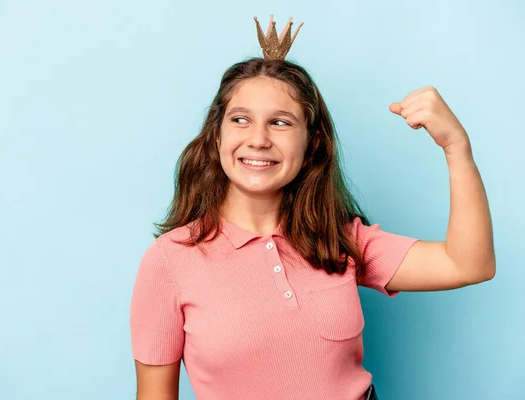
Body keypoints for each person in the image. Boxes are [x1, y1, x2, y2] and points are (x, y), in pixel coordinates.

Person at [129, 14, 495, 400]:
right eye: (240, 120)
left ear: (311, 145)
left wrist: (457, 148)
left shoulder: (341, 239)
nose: (258, 139)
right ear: (216, 135)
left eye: (281, 123)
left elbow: (469, 264)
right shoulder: (169, 261)